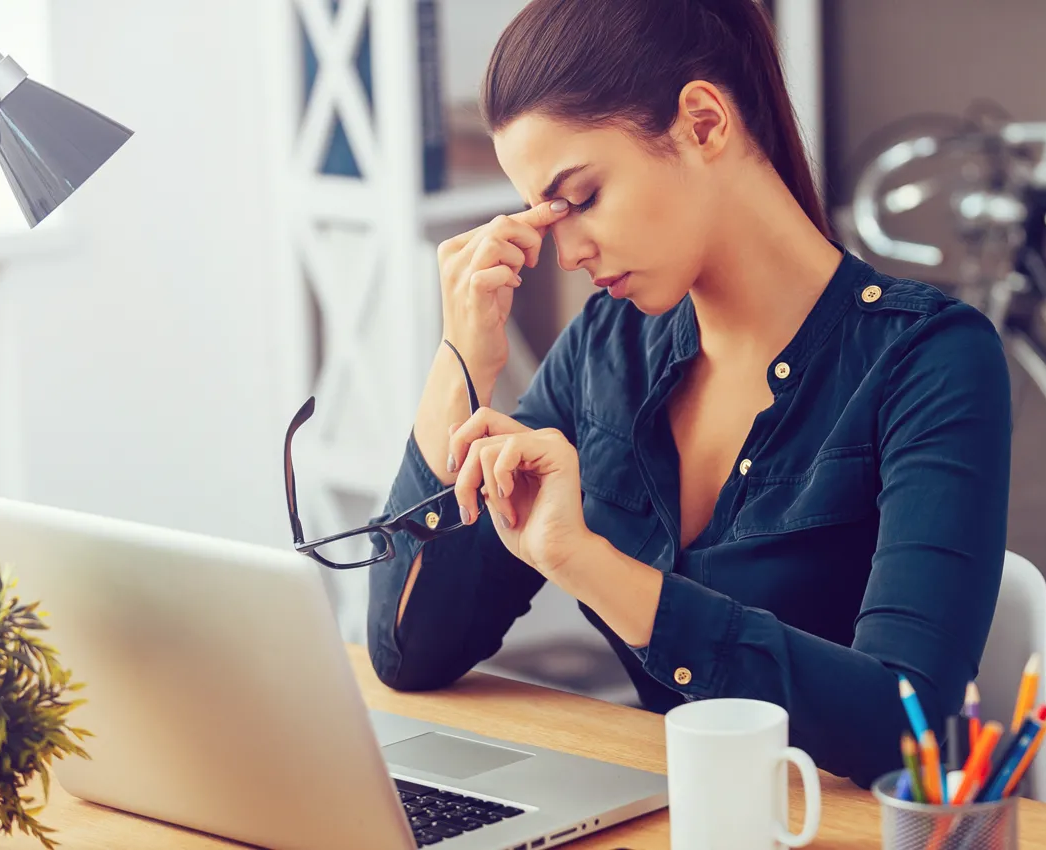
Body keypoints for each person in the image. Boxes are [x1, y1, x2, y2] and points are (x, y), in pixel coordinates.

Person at [366, 0, 1010, 788]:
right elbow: (410, 655)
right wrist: (460, 359)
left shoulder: (929, 360)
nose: (565, 251)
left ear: (704, 123)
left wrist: (589, 565)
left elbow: (906, 722)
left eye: (584, 197)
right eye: (545, 213)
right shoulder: (605, 351)